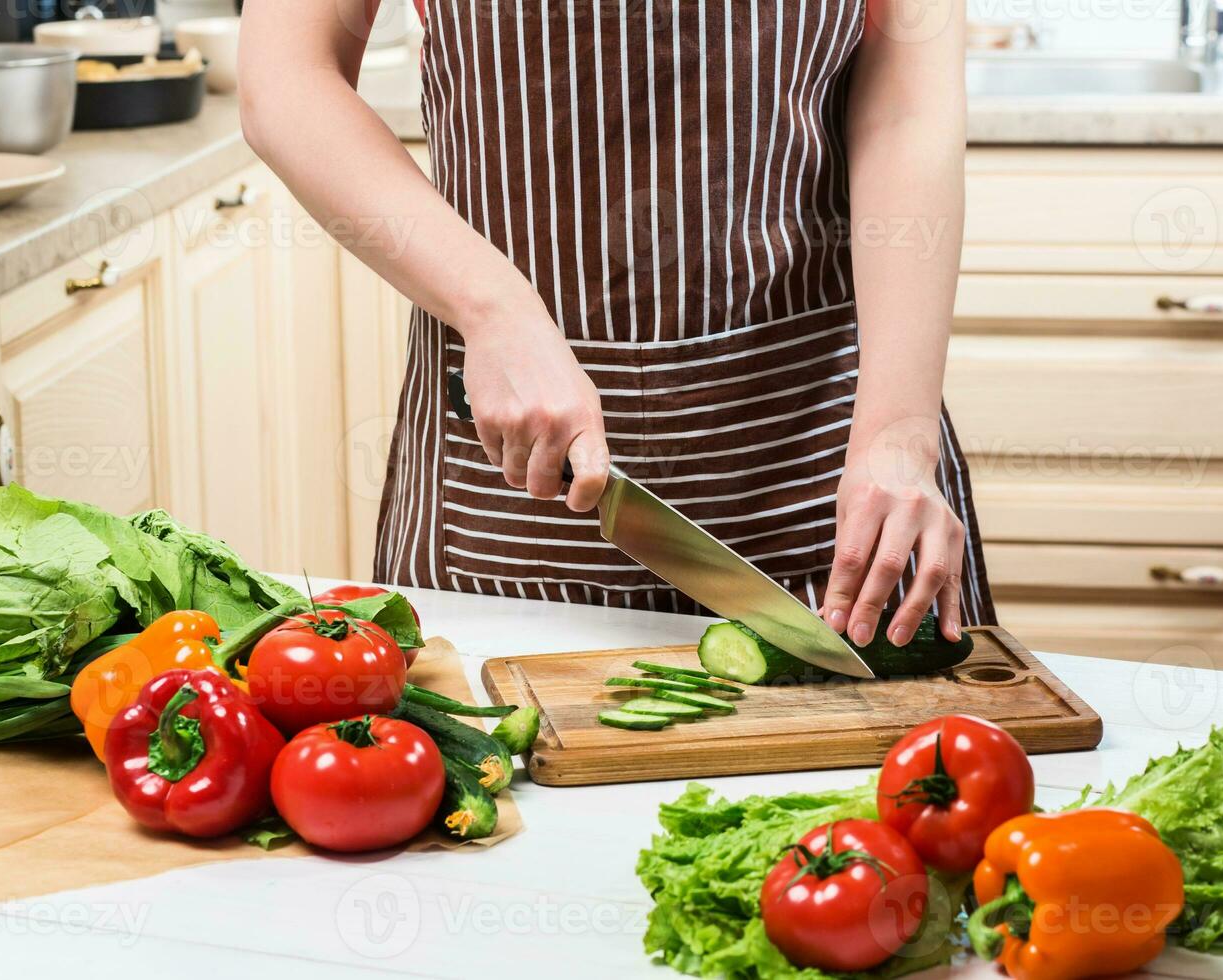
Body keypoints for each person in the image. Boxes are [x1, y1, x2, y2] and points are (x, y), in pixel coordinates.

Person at [239, 0, 993, 652]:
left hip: (823, 463)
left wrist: (898, 433)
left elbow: (906, 106)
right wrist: (493, 308)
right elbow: (288, 78)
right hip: (507, 484)